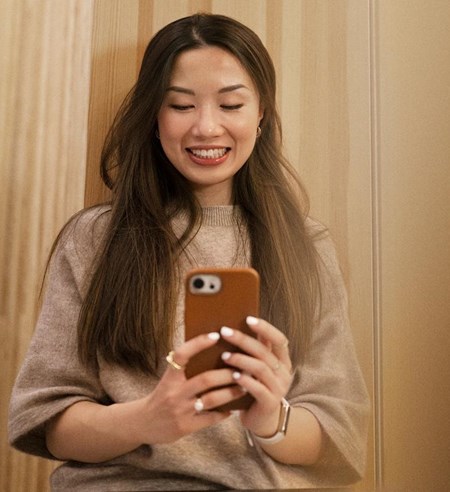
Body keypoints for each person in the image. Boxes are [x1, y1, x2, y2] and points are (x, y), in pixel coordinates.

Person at [8, 13, 369, 491]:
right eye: (181, 105)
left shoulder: (306, 247)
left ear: (260, 114)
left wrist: (269, 420)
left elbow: (339, 434)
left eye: (231, 104)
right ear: (154, 117)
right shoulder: (93, 238)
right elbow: (45, 416)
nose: (206, 127)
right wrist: (147, 420)